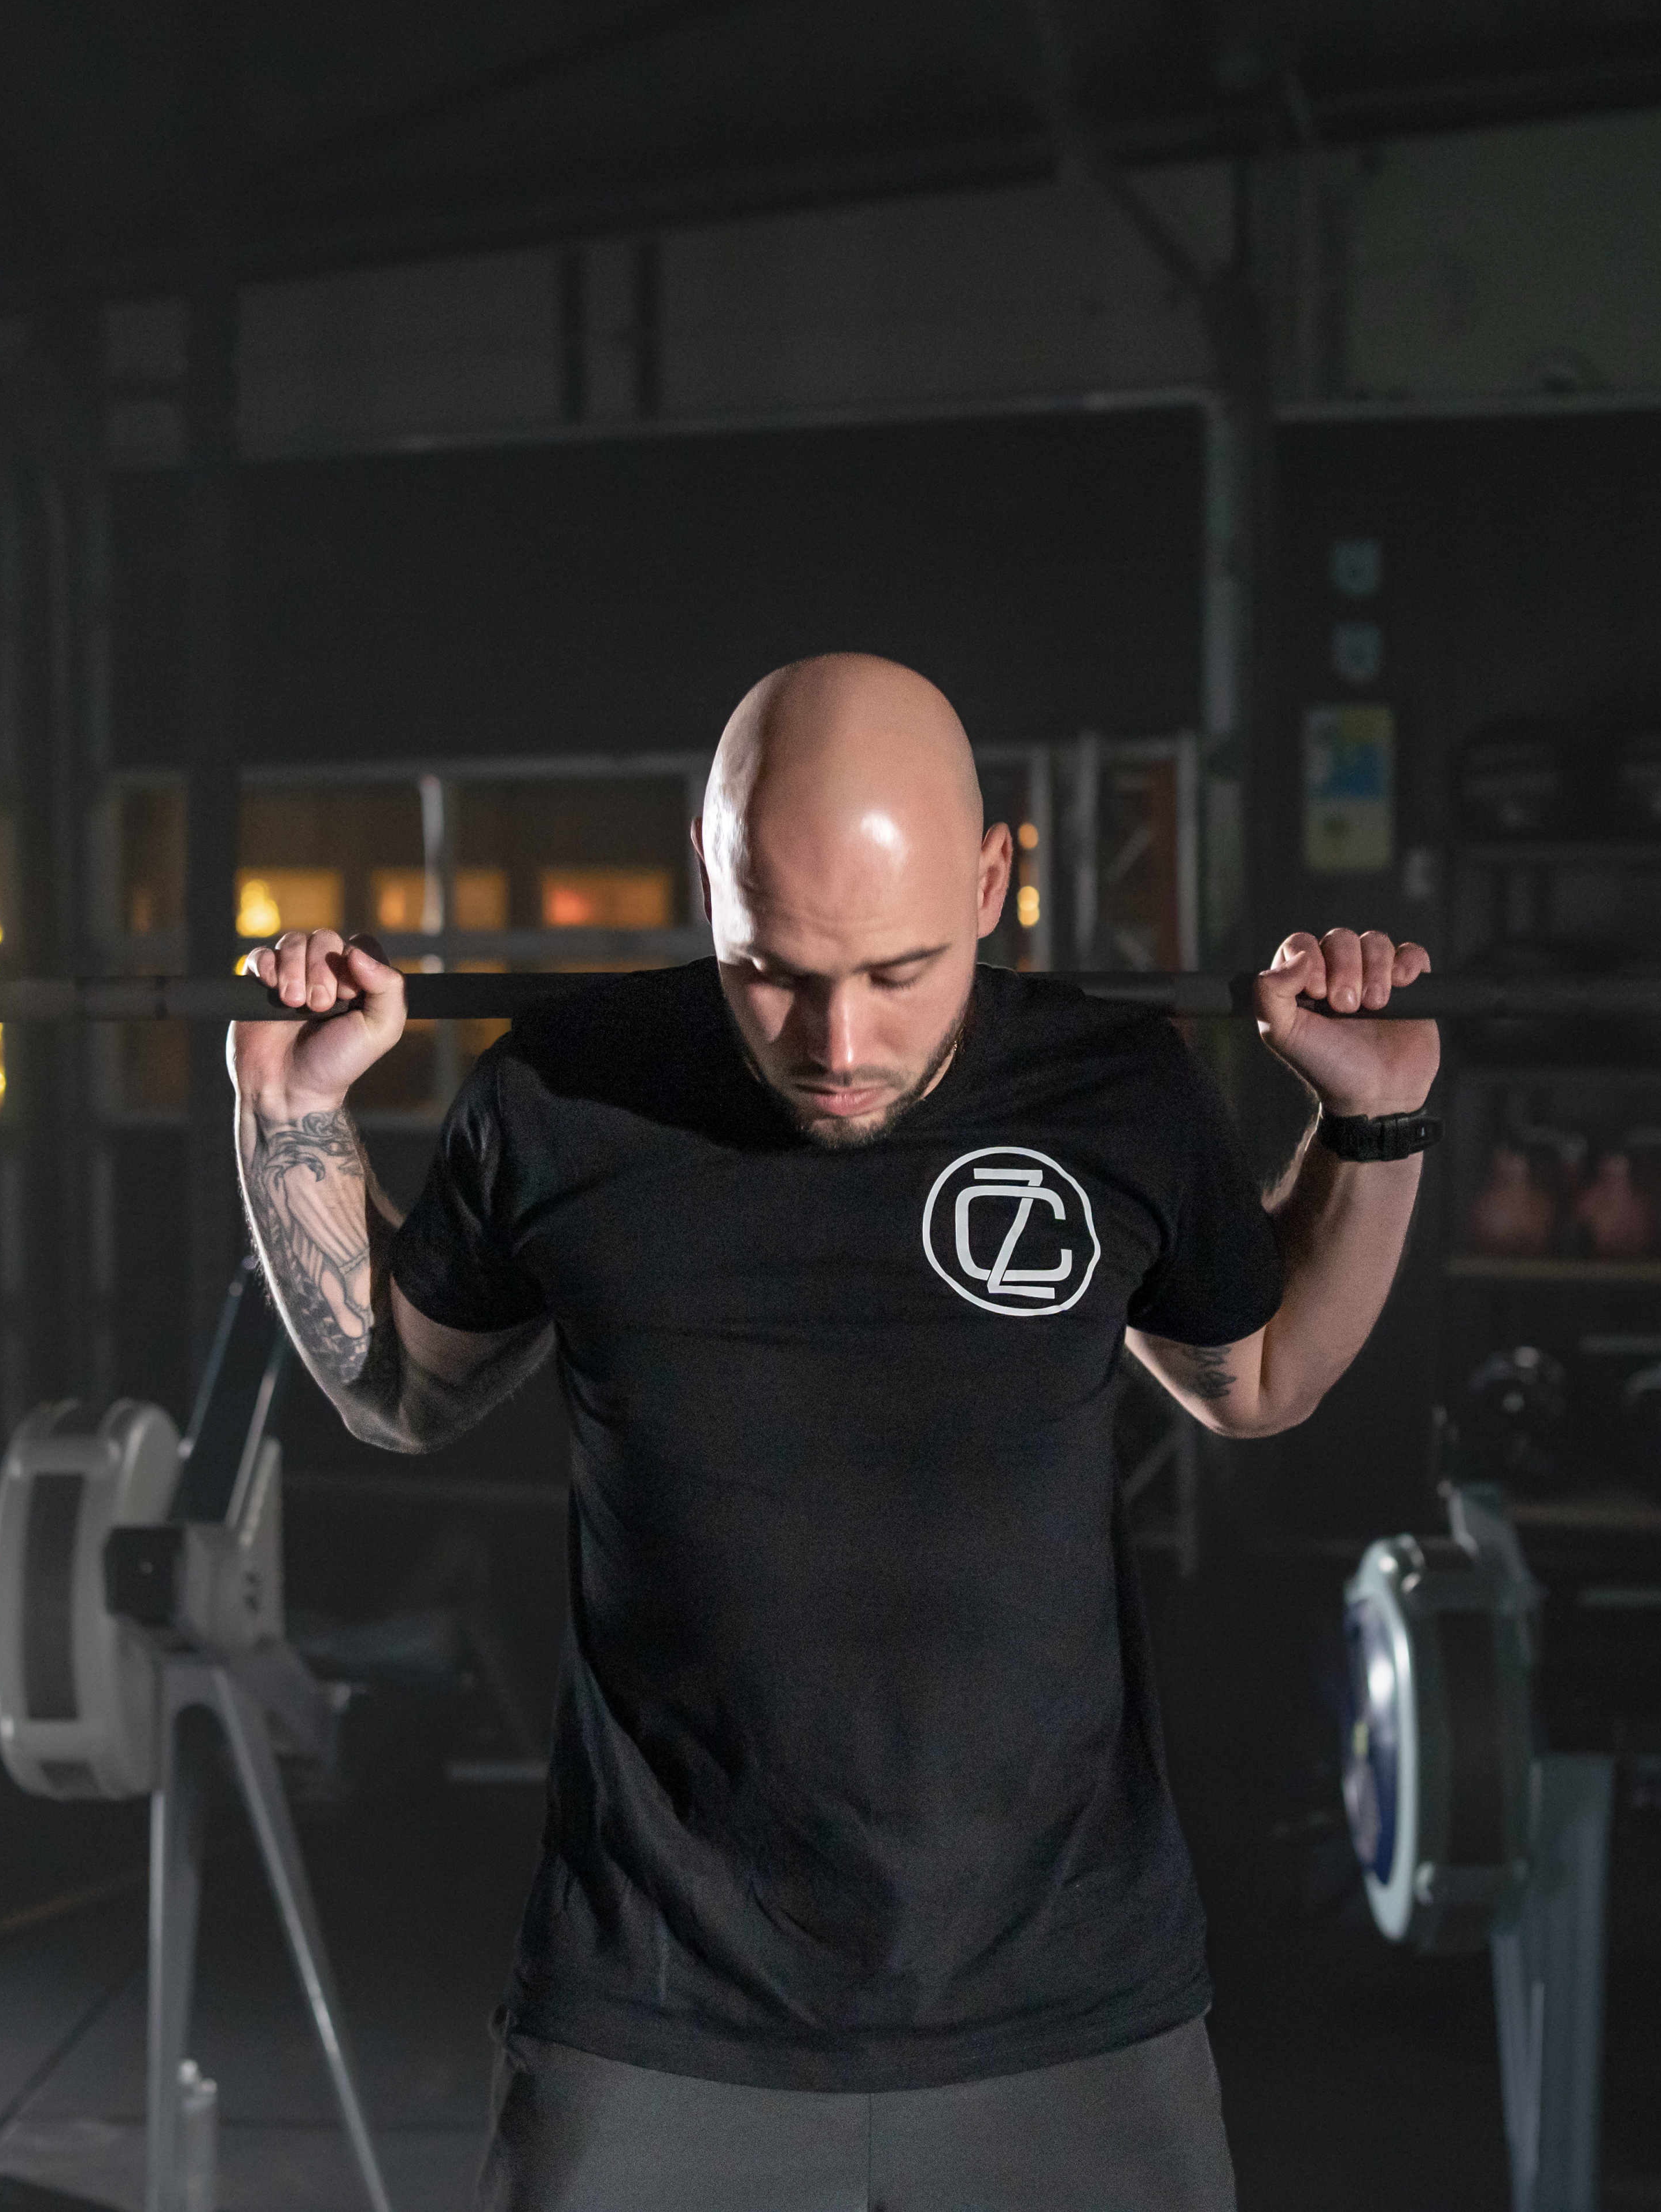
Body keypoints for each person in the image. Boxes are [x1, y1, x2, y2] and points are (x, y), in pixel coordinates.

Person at [231, 653, 1438, 2211]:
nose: (838, 1041)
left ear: (995, 878)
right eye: (772, 972)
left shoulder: (1117, 1091)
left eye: (896, 973)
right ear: (706, 885)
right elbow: (401, 1389)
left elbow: (1256, 1377)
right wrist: (289, 1119)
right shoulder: (558, 1097)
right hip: (658, 2020)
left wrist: (1376, 1126)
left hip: (1065, 2013)